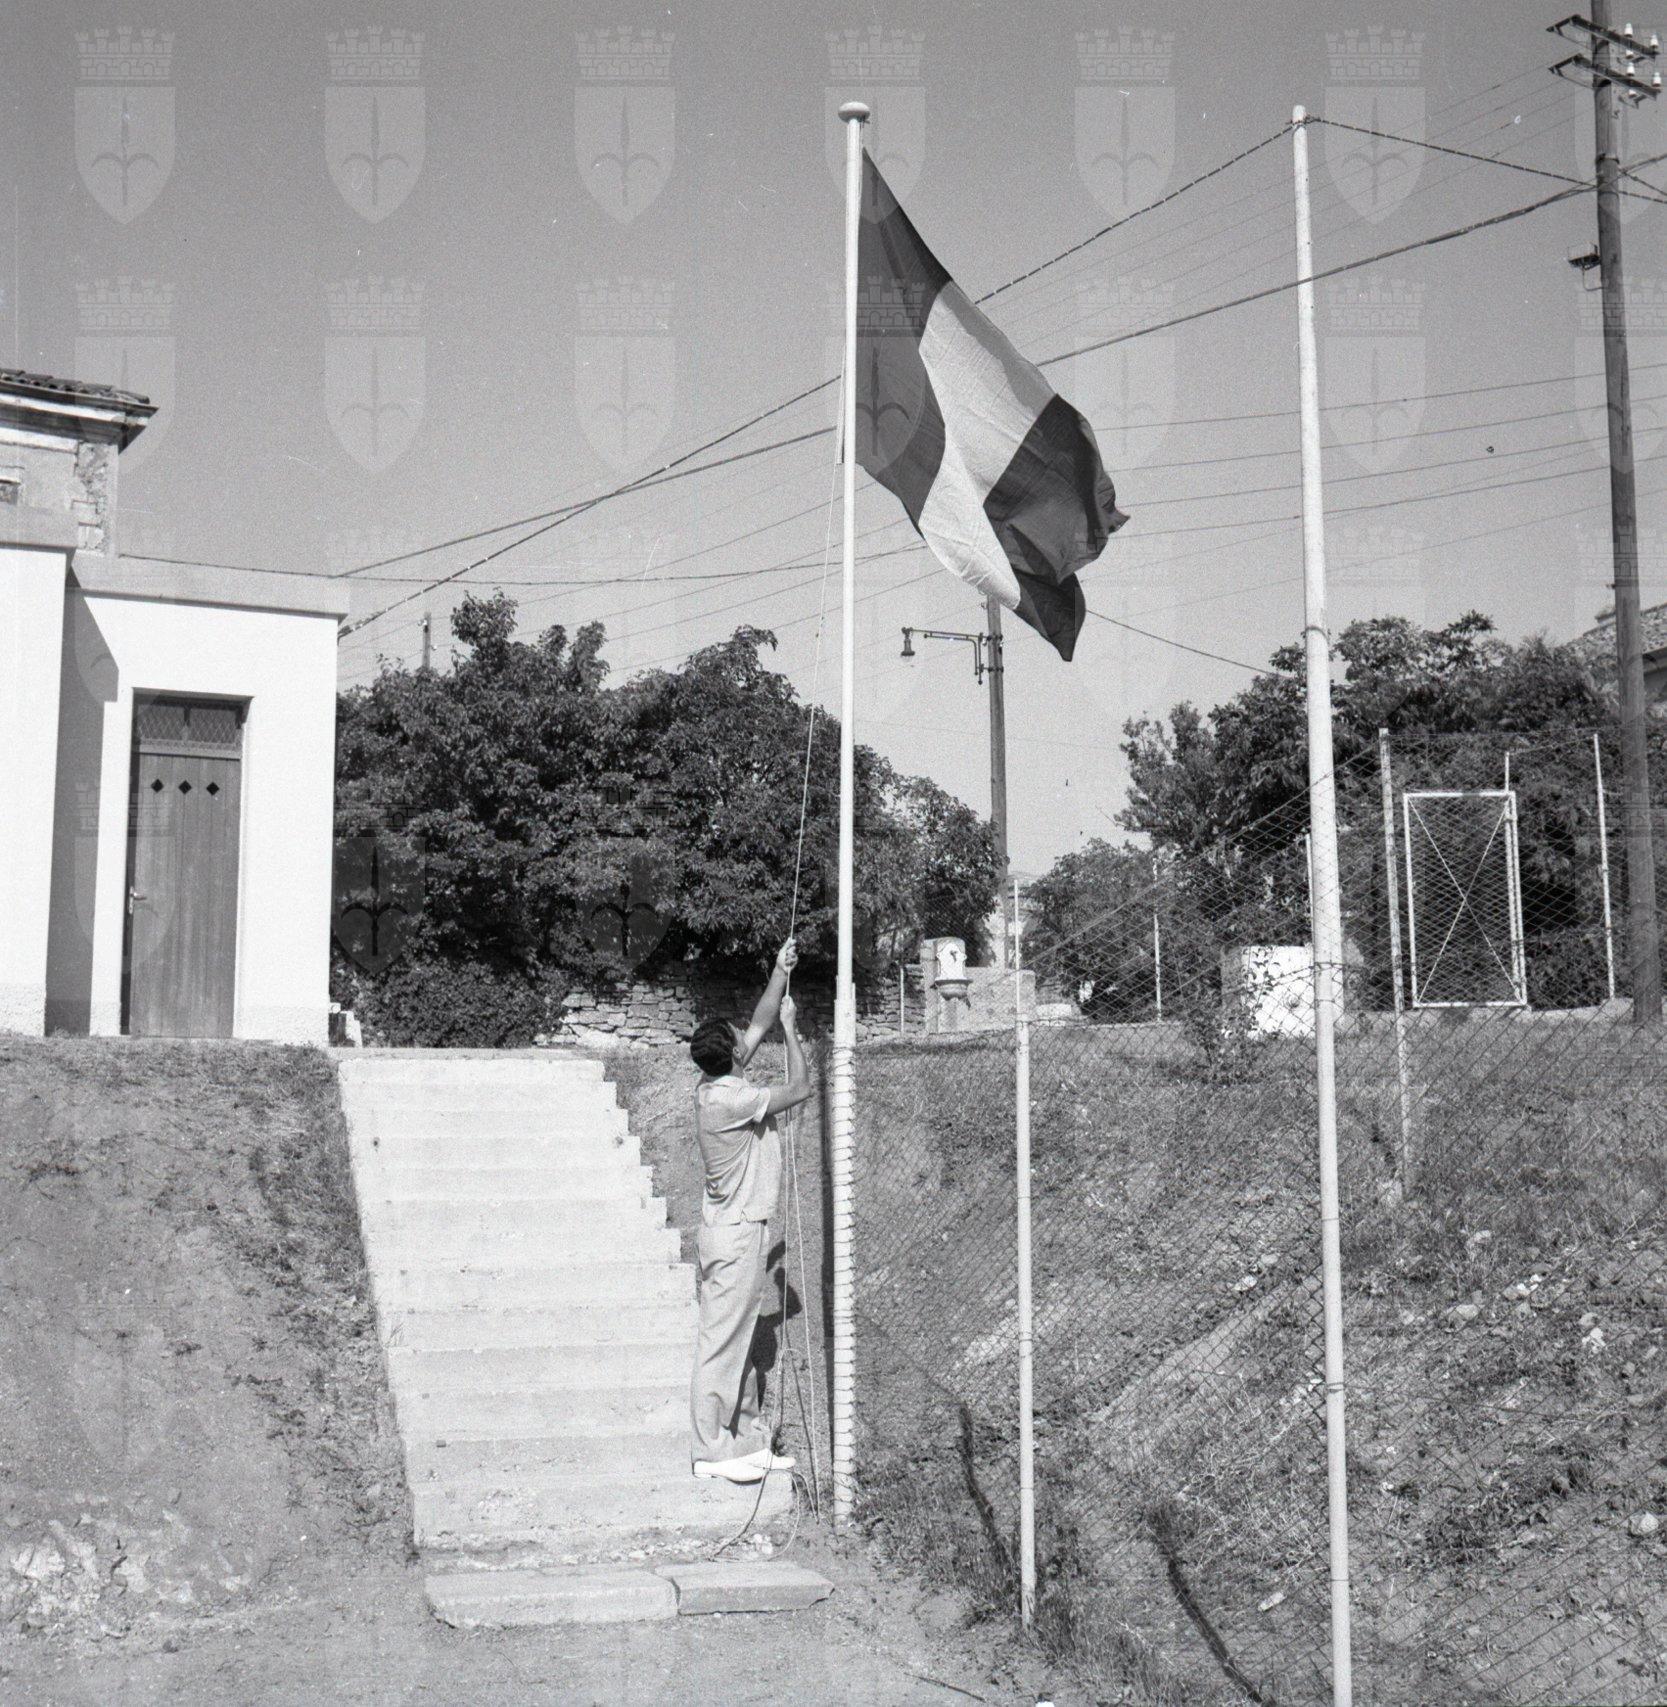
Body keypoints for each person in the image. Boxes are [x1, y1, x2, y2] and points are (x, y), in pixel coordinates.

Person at [685, 938, 813, 1483]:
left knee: (739, 1342)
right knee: (721, 1344)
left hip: (738, 1231)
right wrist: (791, 1028)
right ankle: (712, 1452)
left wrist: (779, 972)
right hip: (736, 1236)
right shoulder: (734, 1100)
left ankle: (745, 1441)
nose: (747, 1034)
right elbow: (801, 1087)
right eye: (741, 1039)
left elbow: (757, 1022)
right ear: (736, 1056)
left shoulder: (714, 1085)